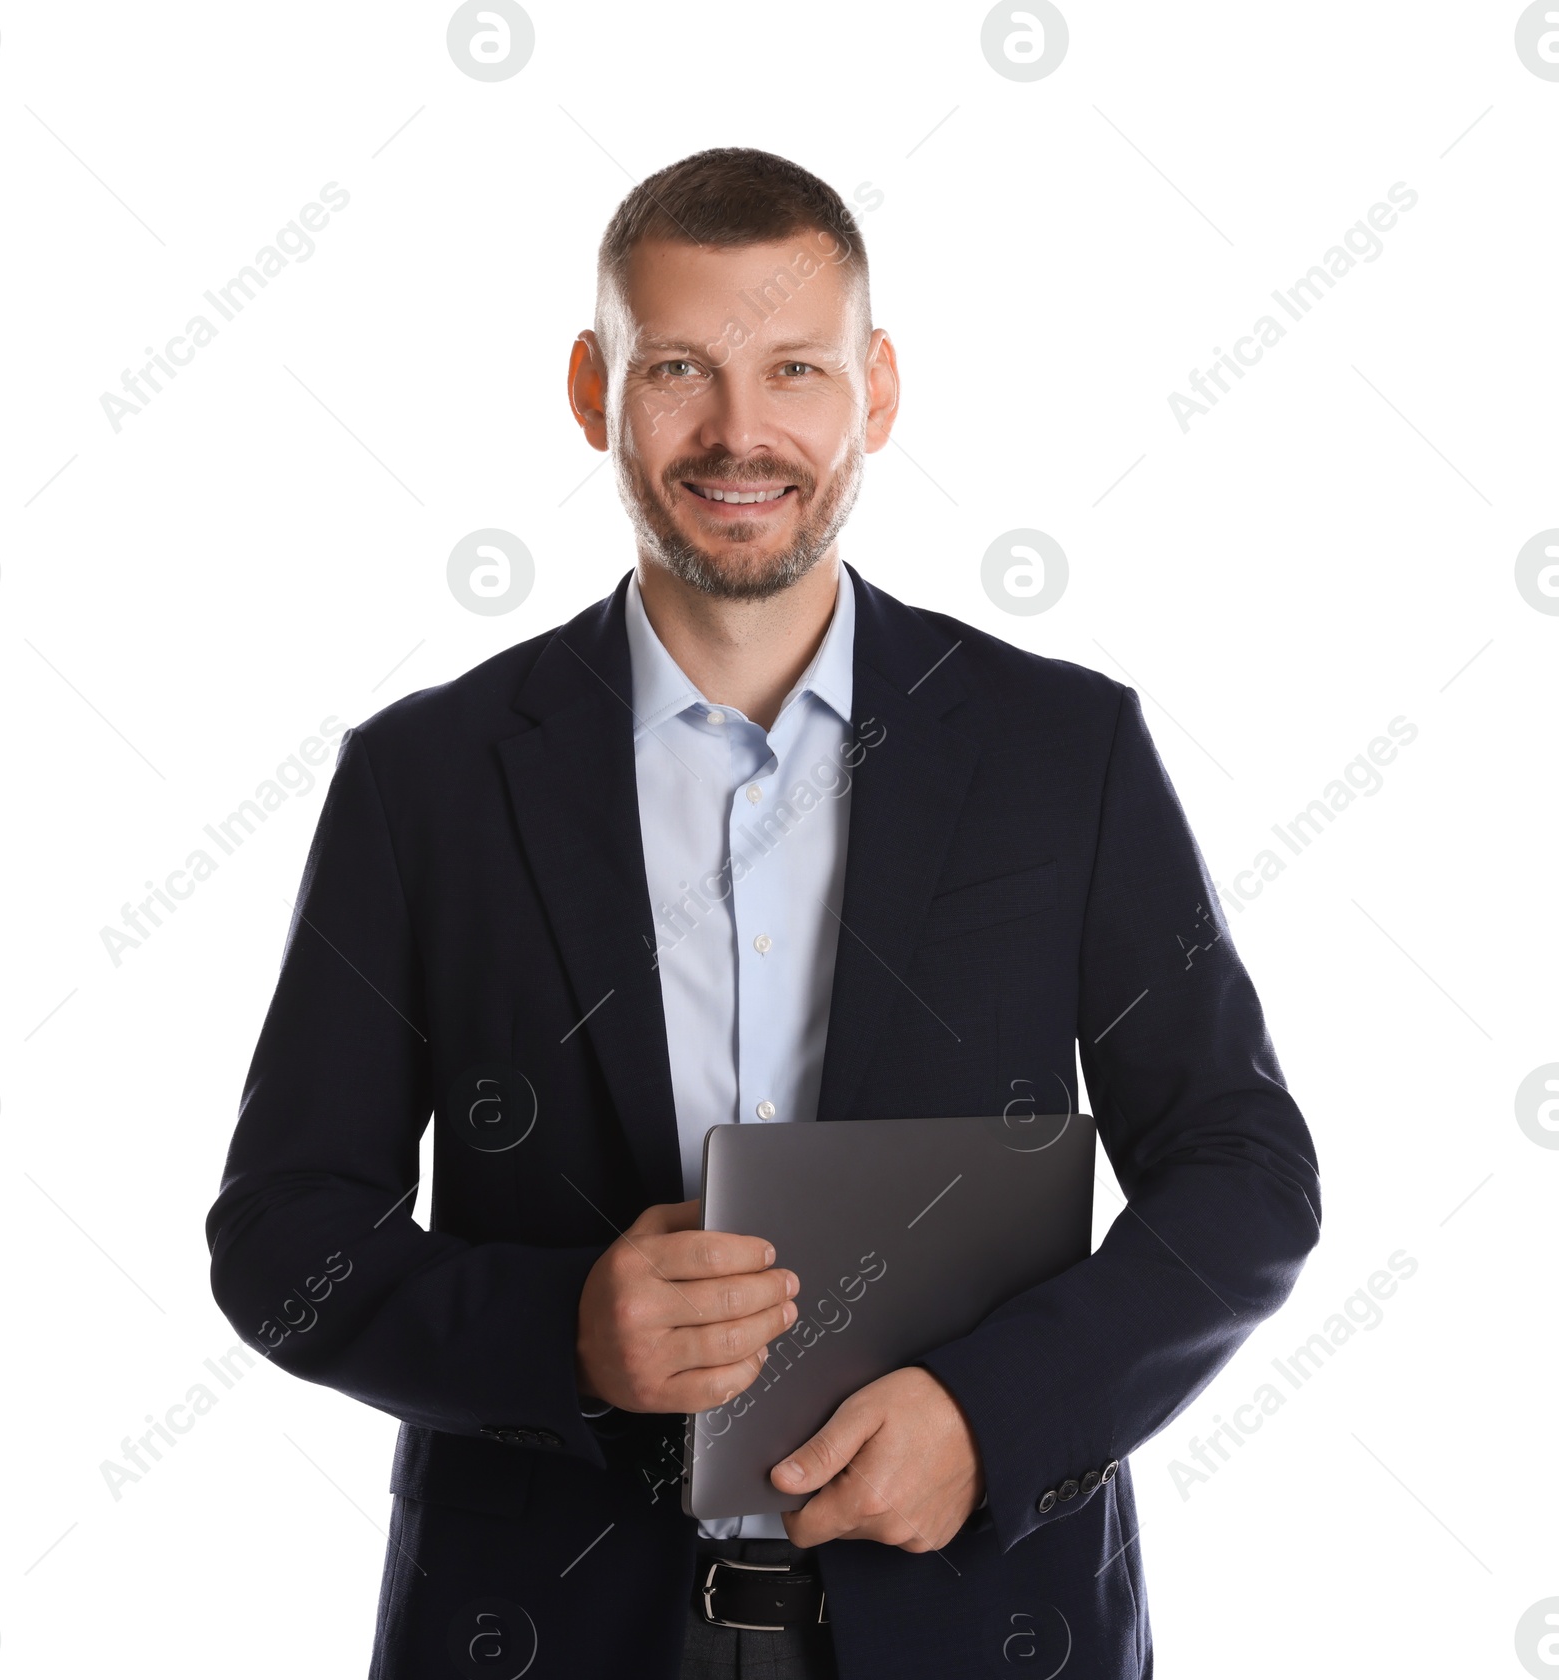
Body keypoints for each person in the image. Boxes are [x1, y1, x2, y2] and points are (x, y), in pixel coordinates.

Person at [206, 146, 1321, 1680]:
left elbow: (1244, 1176)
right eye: (682, 369)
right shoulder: (428, 780)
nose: (742, 432)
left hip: (979, 1618)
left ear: (876, 389)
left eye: (794, 369)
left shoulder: (1068, 751)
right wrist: (567, 1341)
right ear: (597, 391)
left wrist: (992, 1419)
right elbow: (281, 1238)